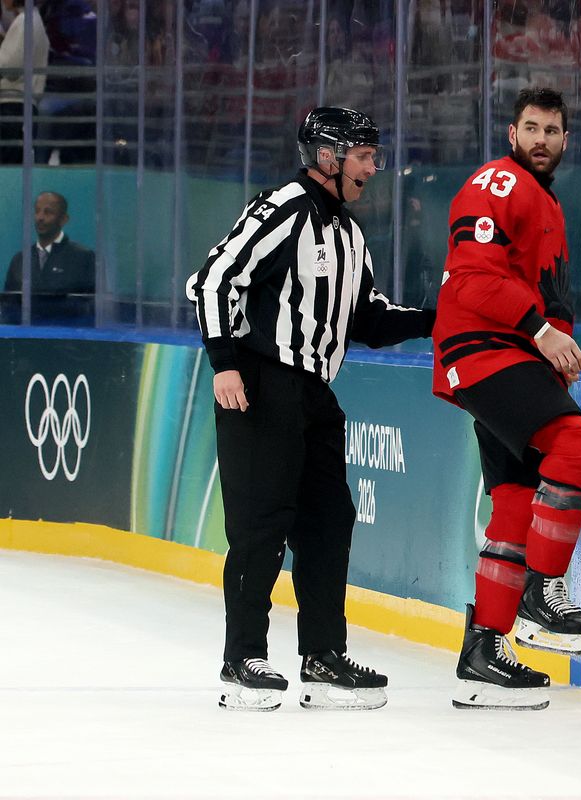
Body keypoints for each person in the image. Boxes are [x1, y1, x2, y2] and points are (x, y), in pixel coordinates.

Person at [186, 107, 435, 712]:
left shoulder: (349, 234)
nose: (374, 167)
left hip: (314, 395)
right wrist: (224, 362)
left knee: (329, 523)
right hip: (261, 386)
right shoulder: (284, 209)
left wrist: (443, 317)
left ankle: (323, 657)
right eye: (365, 156)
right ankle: (242, 658)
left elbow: (368, 319)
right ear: (328, 156)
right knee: (261, 527)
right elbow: (215, 278)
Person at [433, 86, 581, 711]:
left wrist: (546, 342)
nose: (540, 139)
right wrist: (540, 331)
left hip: (505, 357)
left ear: (565, 140)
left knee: (512, 502)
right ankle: (544, 587)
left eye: (552, 130)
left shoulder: (543, 201)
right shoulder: (499, 184)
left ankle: (483, 647)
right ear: (512, 134)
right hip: (487, 351)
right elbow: (475, 278)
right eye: (530, 127)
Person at [5, 191, 95, 321]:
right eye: (37, 211)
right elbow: (8, 307)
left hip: (68, 336)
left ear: (64, 219)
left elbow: (93, 309)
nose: (40, 217)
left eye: (48, 212)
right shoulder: (20, 260)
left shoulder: (83, 257)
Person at [0, 0, 50, 164]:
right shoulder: (30, 19)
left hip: (13, 106)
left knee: (8, 164)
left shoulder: (25, 21)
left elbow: (11, 67)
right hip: (17, 106)